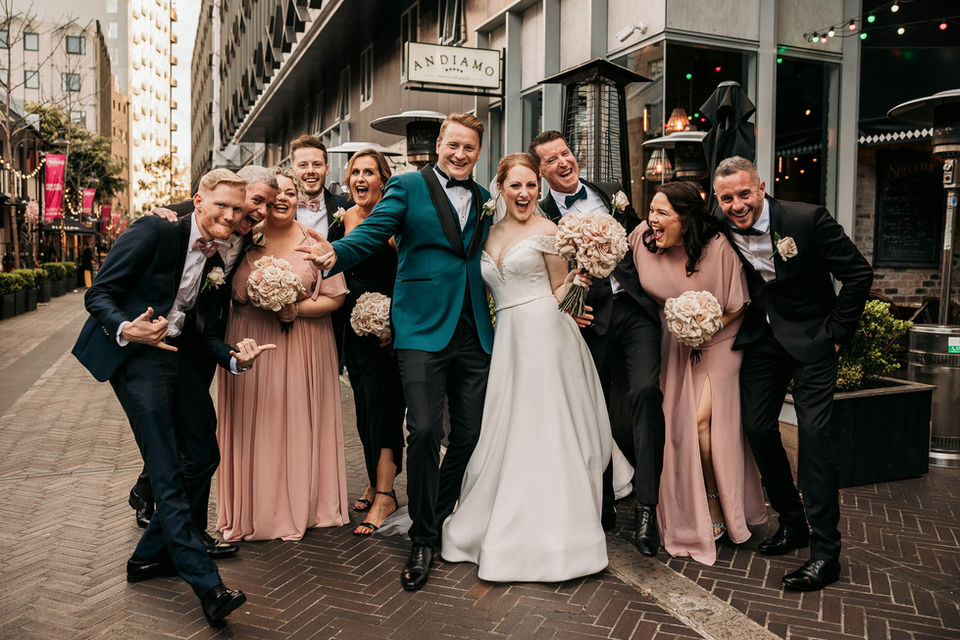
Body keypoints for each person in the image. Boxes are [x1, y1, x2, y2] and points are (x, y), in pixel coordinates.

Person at [71, 168, 275, 625]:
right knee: (166, 465)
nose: (229, 215)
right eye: (220, 205)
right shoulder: (154, 230)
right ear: (197, 201)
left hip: (177, 356)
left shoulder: (219, 260)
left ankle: (148, 557)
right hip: (135, 354)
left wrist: (236, 358)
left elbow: (204, 336)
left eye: (237, 209)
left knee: (203, 452)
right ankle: (208, 586)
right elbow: (99, 293)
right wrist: (128, 327)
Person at [300, 113, 494, 592]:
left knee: (467, 435)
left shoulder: (488, 199)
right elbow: (373, 231)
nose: (460, 153)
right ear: (440, 146)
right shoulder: (408, 186)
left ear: (478, 151)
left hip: (473, 329)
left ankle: (438, 513)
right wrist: (335, 254)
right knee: (425, 430)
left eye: (469, 147)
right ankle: (423, 539)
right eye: (453, 145)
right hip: (421, 329)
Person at [440, 153, 612, 581]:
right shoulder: (484, 232)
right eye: (515, 185)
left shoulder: (550, 231)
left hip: (547, 335)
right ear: (499, 188)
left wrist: (581, 278)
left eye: (532, 186)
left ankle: (561, 533)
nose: (524, 194)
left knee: (545, 427)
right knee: (506, 425)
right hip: (507, 342)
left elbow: (558, 288)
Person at [713, 156, 872, 591]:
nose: (737, 204)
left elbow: (858, 273)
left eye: (744, 193)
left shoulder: (807, 219)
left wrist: (837, 334)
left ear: (761, 187)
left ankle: (826, 553)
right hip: (763, 341)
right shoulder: (718, 221)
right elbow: (673, 225)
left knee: (816, 438)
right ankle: (792, 522)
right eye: (727, 197)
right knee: (758, 428)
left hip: (815, 340)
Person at [127, 168, 278, 555]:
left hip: (206, 338)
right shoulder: (178, 219)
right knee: (186, 433)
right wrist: (155, 213)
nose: (255, 210)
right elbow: (159, 230)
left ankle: (184, 524)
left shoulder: (249, 236)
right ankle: (173, 519)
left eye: (264, 204)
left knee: (195, 430)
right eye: (254, 201)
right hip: (166, 339)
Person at [531, 130, 666, 557]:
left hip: (636, 312)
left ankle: (647, 507)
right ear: (541, 171)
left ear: (575, 154)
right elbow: (545, 278)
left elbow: (650, 239)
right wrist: (570, 305)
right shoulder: (540, 215)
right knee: (597, 409)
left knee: (645, 392)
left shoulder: (612, 193)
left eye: (565, 153)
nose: (562, 163)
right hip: (590, 319)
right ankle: (602, 502)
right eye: (550, 160)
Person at [628, 181, 766, 565]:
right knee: (675, 424)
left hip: (718, 338)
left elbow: (737, 304)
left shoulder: (717, 247)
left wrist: (702, 328)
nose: (652, 220)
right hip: (672, 341)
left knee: (702, 421)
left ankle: (718, 508)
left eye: (662, 214)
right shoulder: (641, 238)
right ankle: (690, 514)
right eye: (651, 211)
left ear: (686, 220)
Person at [216, 168, 349, 542]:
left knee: (298, 420)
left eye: (291, 193)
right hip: (248, 343)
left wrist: (296, 310)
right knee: (252, 425)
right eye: (276, 194)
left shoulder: (315, 242)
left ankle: (304, 505)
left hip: (304, 344)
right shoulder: (243, 240)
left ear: (299, 199)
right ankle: (255, 509)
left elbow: (336, 297)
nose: (283, 199)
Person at [339, 149, 406, 537]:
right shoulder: (345, 216)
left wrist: (390, 320)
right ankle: (372, 480)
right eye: (355, 172)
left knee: (386, 411)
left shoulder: (396, 220)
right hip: (355, 329)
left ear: (383, 179)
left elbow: (408, 272)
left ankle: (386, 494)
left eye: (369, 172)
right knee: (364, 410)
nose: (361, 178)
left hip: (389, 330)